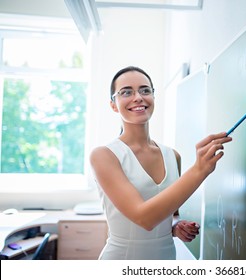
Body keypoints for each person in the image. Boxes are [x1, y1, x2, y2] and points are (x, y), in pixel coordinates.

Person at [89, 66, 232, 259]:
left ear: (153, 97)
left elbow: (170, 214)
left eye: (145, 90)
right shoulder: (104, 155)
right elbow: (144, 218)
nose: (138, 97)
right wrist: (199, 170)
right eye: (126, 92)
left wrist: (175, 226)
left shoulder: (173, 156)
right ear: (113, 105)